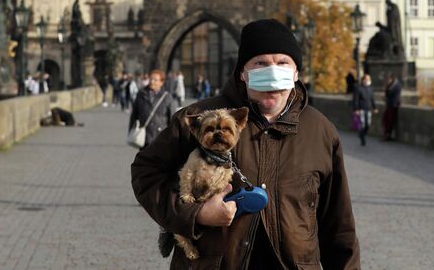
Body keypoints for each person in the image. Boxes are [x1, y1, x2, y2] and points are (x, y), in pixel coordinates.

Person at [131, 19, 360, 269]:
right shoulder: (198, 119)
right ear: (242, 72)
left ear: (296, 73)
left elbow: (339, 228)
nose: (272, 71)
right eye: (260, 63)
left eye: (283, 62)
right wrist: (197, 215)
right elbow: (145, 173)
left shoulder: (320, 131)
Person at [129, 69, 178, 149]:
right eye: (151, 79)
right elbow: (134, 114)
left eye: (155, 80)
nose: (152, 82)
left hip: (161, 137)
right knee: (144, 160)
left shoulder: (167, 97)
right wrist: (131, 131)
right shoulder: (141, 94)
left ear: (161, 82)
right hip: (144, 136)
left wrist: (173, 137)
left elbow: (172, 119)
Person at [353, 74, 378, 146]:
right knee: (363, 124)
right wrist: (356, 109)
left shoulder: (370, 89)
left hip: (368, 109)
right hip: (361, 109)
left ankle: (361, 134)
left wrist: (375, 107)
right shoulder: (359, 88)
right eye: (367, 79)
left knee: (368, 125)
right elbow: (356, 100)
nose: (368, 81)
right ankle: (362, 138)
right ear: (363, 80)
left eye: (369, 79)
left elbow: (372, 99)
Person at [383, 73, 402, 141]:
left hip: (393, 105)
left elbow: (390, 94)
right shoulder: (391, 85)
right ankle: (387, 134)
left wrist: (387, 88)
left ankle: (388, 134)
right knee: (386, 119)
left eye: (389, 79)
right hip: (390, 105)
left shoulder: (396, 85)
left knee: (390, 121)